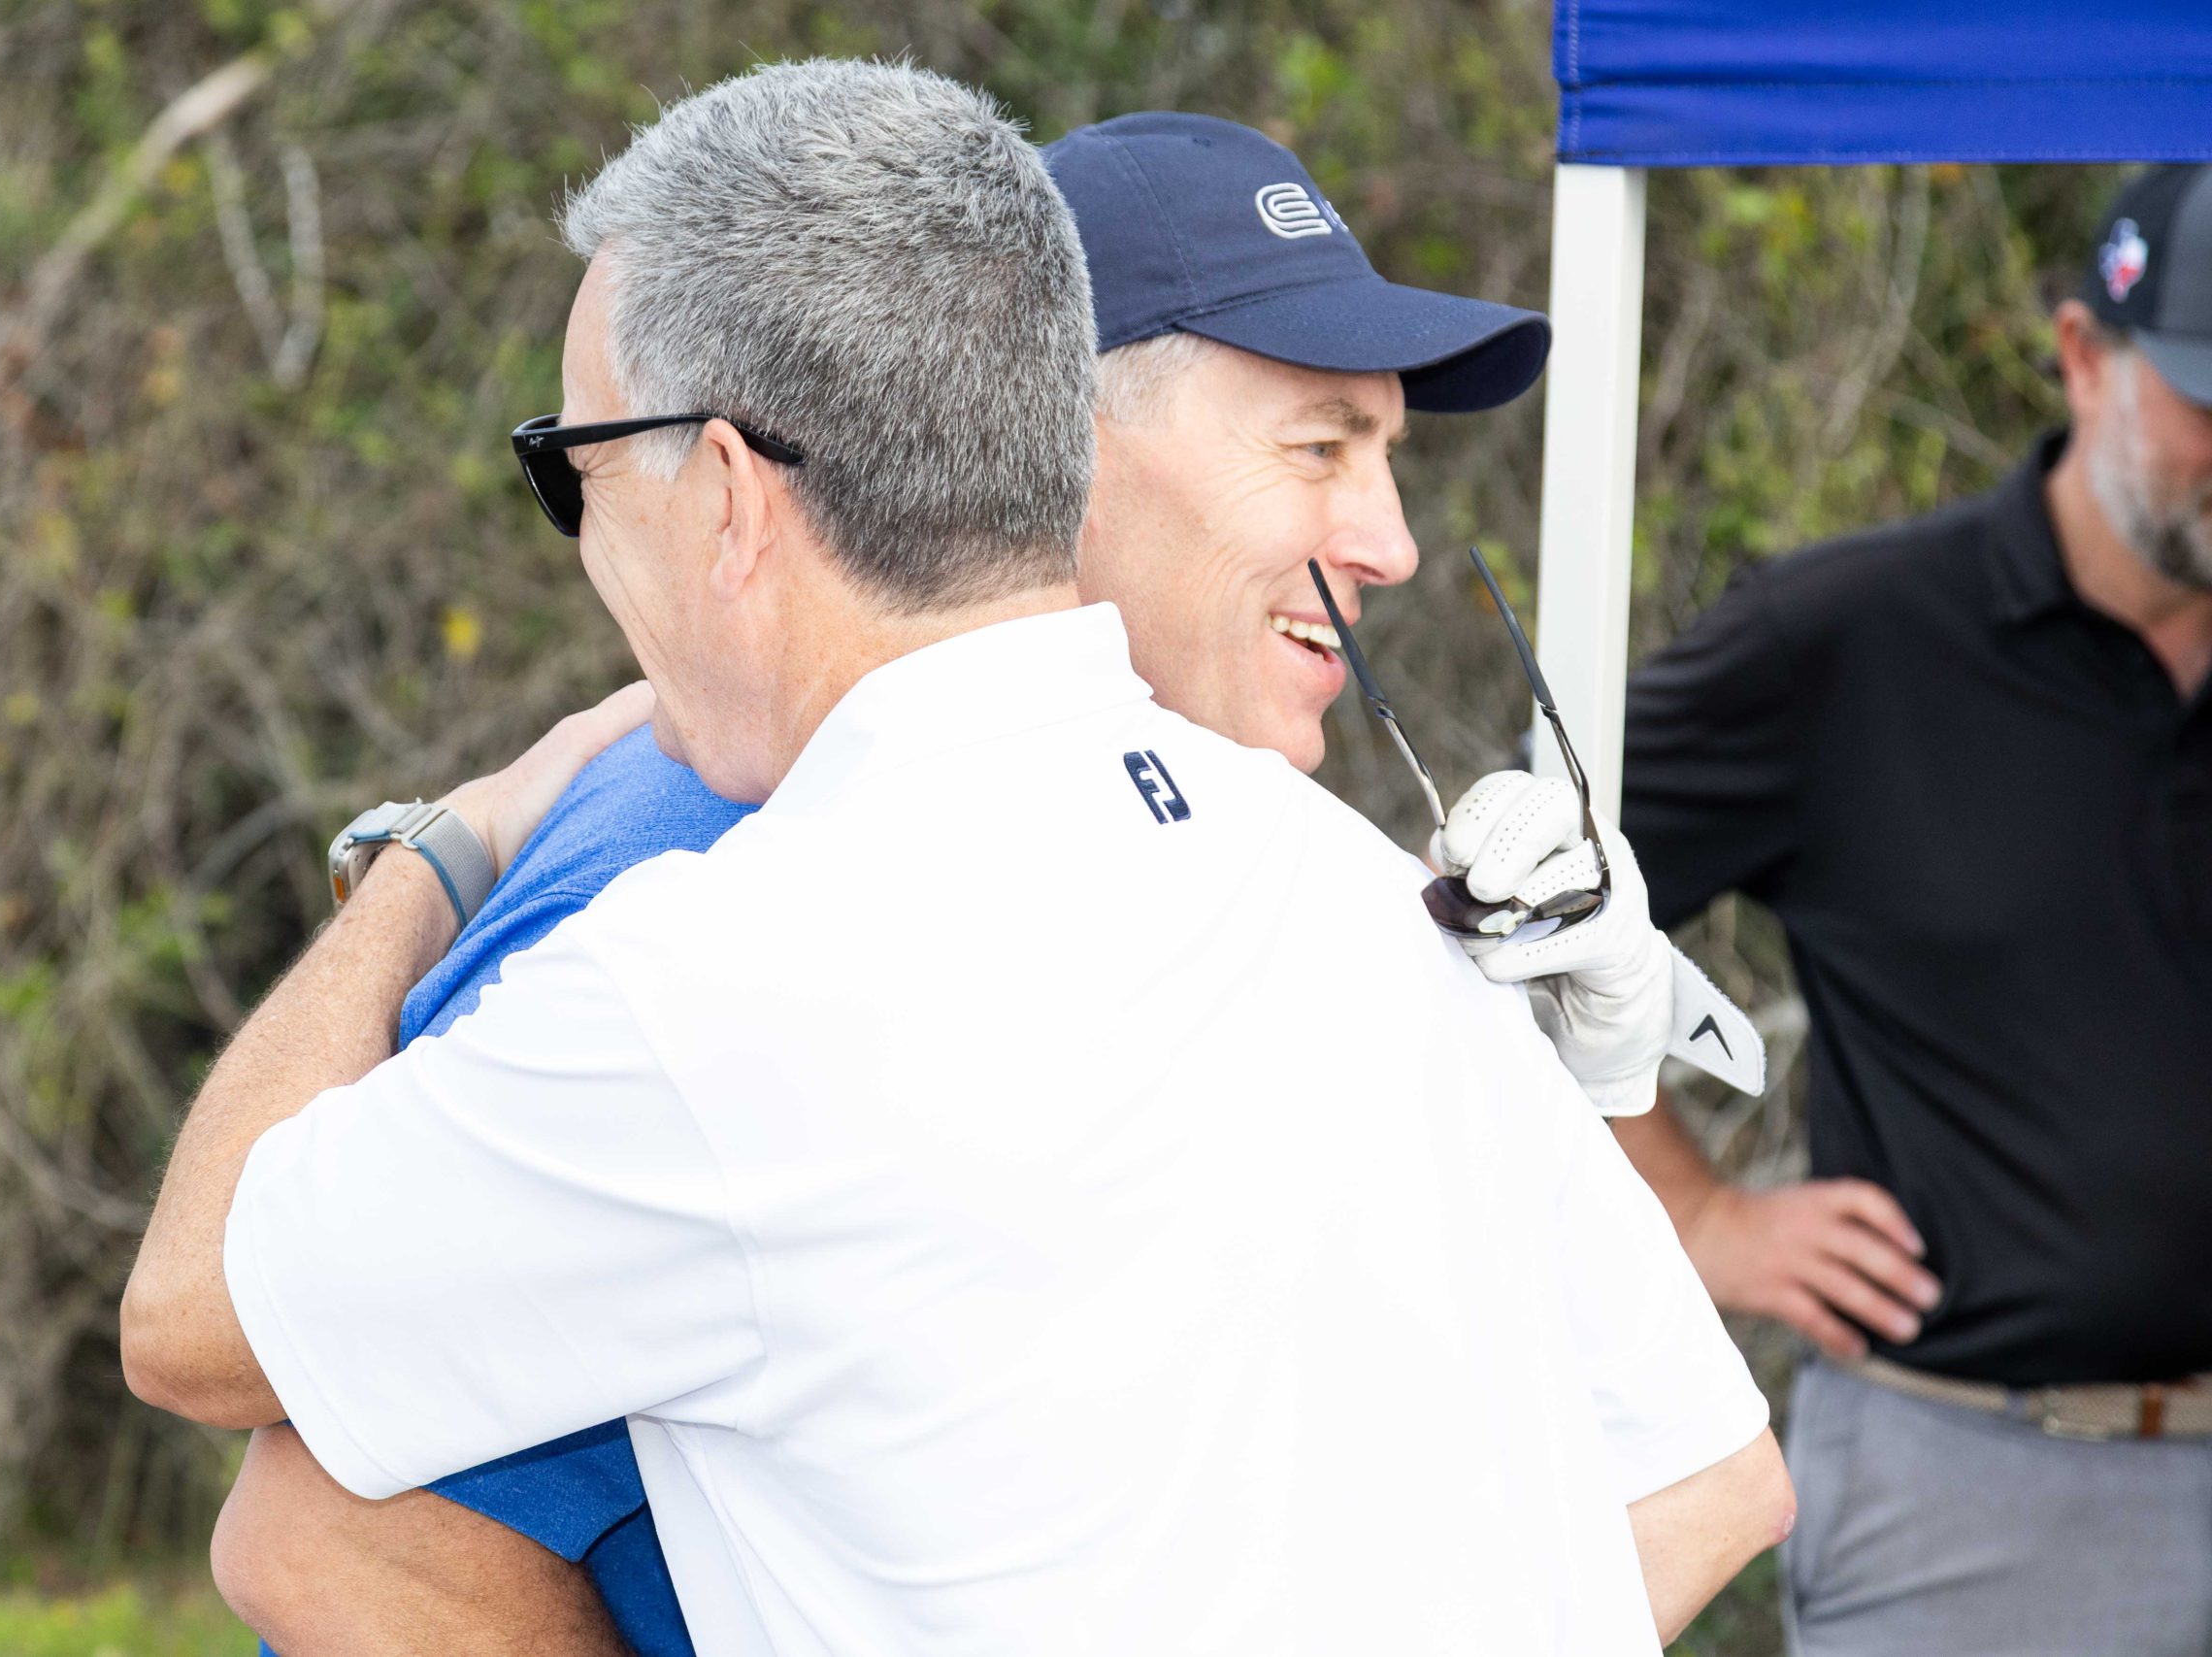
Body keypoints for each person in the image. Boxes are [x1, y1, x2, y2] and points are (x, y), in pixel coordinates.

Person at [181, 90, 1790, 1654]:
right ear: (1056, 436)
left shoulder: (1331, 890)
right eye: (1317, 446)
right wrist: (452, 846)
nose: (1392, 543)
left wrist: (1555, 1089)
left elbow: (1680, 1485)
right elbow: (327, 1536)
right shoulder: (687, 866)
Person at [1613, 164, 2212, 1656]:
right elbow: (1495, 925)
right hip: (1978, 1502)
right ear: (2085, 357)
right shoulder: (1842, 644)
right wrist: (1701, 1218)